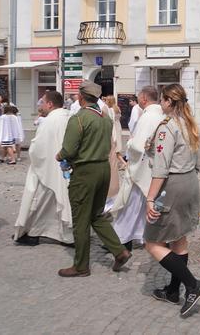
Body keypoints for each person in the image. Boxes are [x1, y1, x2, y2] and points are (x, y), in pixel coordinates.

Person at [55, 81, 131, 277]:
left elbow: (69, 149)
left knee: (81, 219)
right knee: (97, 215)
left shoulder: (79, 118)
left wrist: (60, 156)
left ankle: (81, 265)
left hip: (85, 171)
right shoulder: (105, 118)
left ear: (80, 97)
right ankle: (119, 250)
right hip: (103, 169)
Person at [143, 83, 200, 316]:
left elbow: (160, 168)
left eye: (162, 100)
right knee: (178, 238)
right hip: (190, 181)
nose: (161, 104)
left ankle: (192, 284)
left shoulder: (167, 127)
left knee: (153, 242)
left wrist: (150, 199)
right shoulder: (188, 123)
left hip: (174, 185)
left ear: (169, 102)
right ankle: (172, 290)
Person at [110, 86, 165, 254]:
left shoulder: (147, 117)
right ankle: (142, 235)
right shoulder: (162, 115)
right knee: (144, 205)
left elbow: (138, 145)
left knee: (130, 205)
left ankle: (121, 239)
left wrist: (129, 145)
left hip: (141, 168)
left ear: (143, 99)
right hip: (154, 168)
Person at [14, 91, 73, 246]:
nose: (41, 105)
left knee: (39, 201)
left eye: (43, 102)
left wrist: (35, 157)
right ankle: (67, 235)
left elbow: (37, 148)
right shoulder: (71, 117)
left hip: (49, 167)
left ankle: (33, 232)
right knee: (65, 201)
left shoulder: (48, 121)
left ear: (50, 104)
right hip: (68, 168)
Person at [105, 95, 126, 199]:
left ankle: (124, 163)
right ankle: (123, 163)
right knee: (118, 150)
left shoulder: (110, 110)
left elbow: (111, 121)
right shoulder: (117, 108)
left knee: (115, 150)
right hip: (118, 128)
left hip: (114, 129)